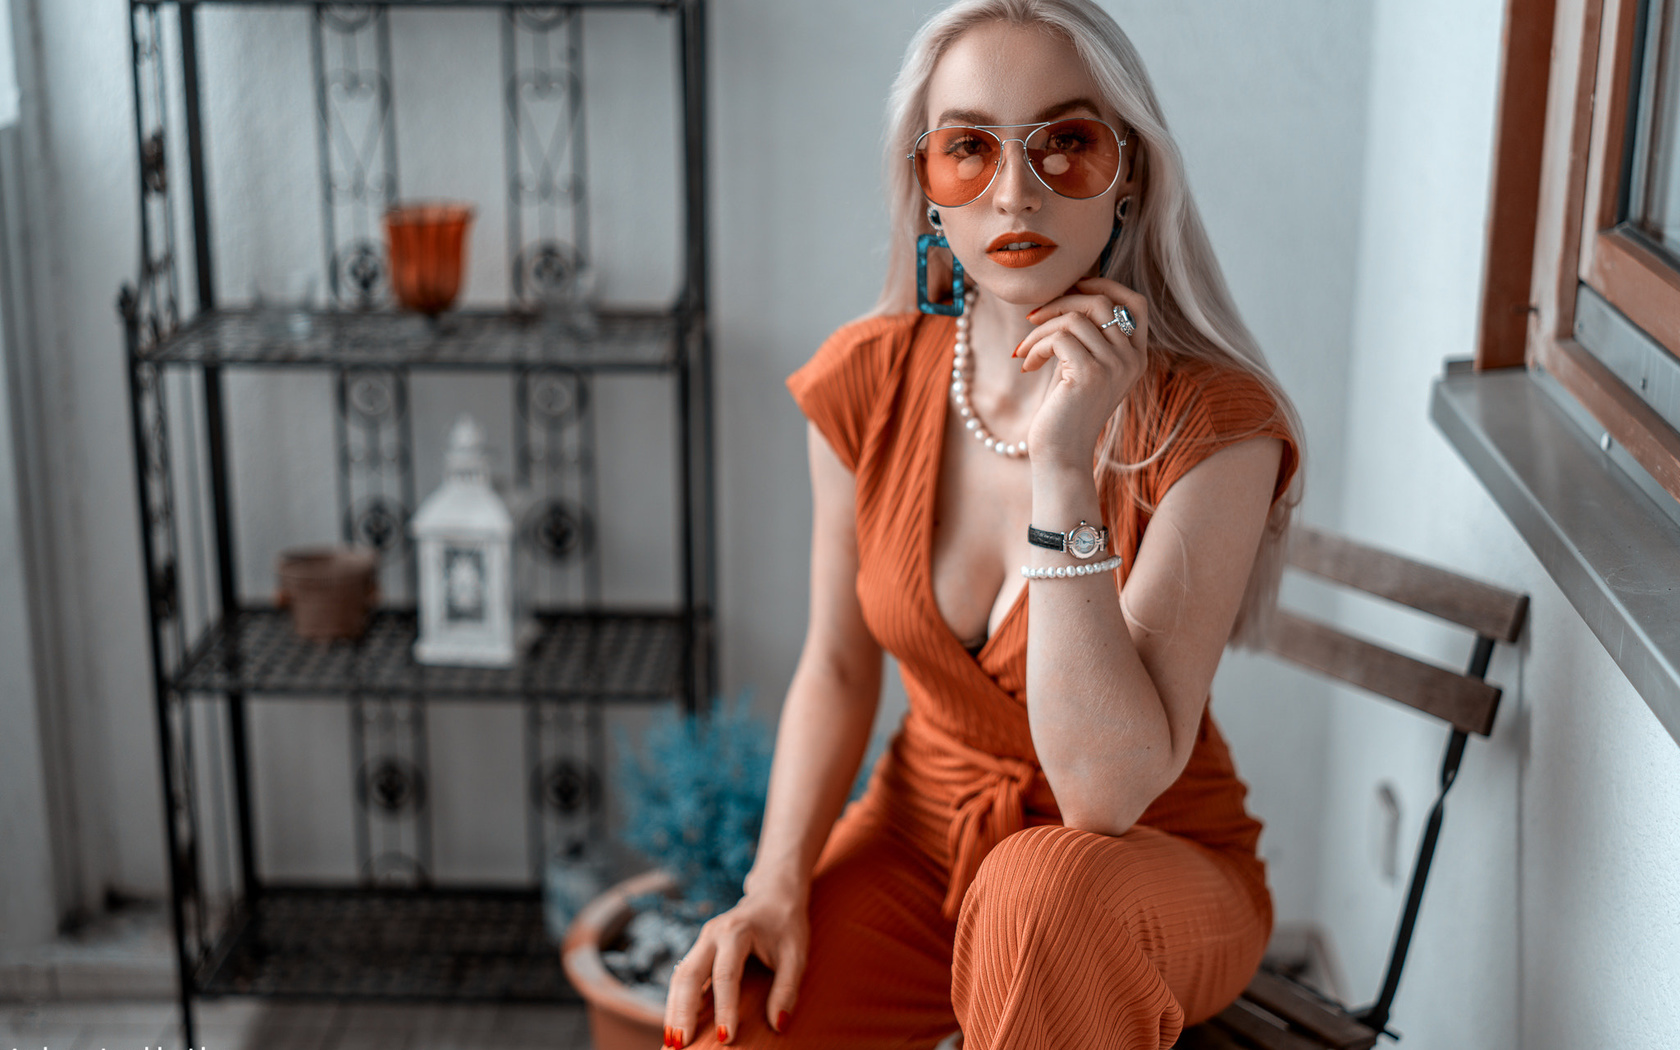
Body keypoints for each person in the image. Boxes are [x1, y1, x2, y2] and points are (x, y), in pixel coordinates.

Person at [663, 1, 1302, 1046]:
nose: (1016, 191)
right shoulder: (865, 382)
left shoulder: (1217, 426)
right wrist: (773, 883)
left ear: (1128, 169)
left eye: (1067, 142)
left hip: (1137, 872)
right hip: (919, 840)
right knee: (739, 1013)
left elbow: (1103, 791)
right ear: (926, 184)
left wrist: (1063, 468)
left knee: (1040, 890)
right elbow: (834, 664)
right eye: (968, 147)